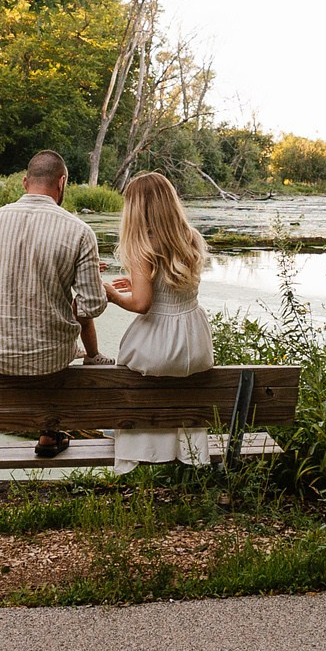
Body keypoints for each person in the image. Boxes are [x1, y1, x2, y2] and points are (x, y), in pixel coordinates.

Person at [0, 150, 107, 459]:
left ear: (24, 182)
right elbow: (92, 306)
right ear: (62, 183)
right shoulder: (80, 231)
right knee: (61, 331)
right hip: (52, 358)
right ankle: (50, 431)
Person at [102, 170, 215, 471]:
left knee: (126, 366)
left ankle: (133, 440)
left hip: (159, 344)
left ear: (138, 209)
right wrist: (138, 280)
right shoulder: (191, 237)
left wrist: (112, 294)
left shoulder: (143, 246)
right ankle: (180, 450)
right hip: (193, 342)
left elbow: (141, 304)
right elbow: (171, 286)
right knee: (181, 386)